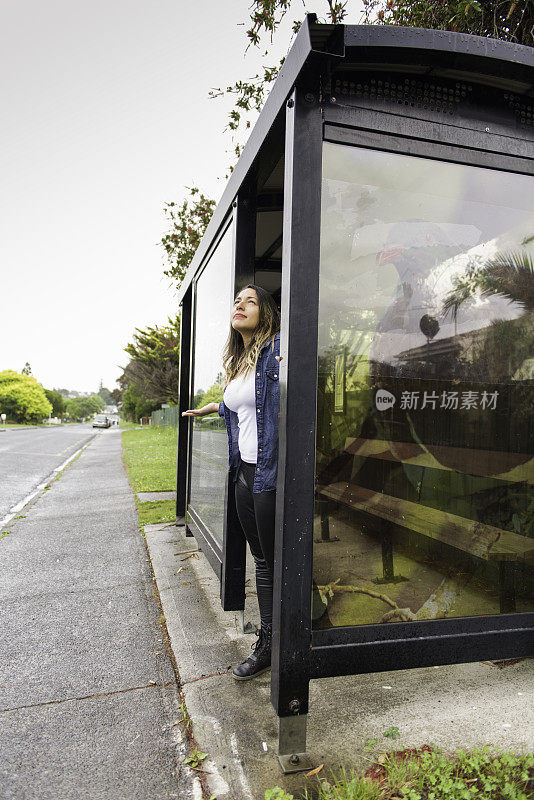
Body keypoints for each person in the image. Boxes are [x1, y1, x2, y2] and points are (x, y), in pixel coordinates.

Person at [182, 284, 281, 680]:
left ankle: (277, 643)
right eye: (237, 300)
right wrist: (214, 406)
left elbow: (280, 398)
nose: (240, 304)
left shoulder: (276, 351)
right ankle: (271, 641)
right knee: (261, 559)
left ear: (266, 312)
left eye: (250, 301)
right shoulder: (241, 361)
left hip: (269, 474)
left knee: (275, 562)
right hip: (244, 472)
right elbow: (242, 403)